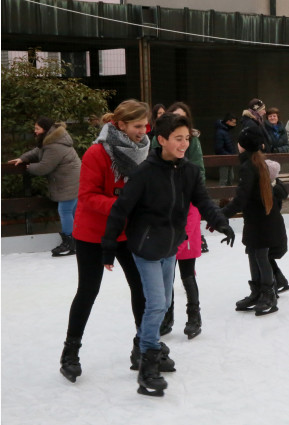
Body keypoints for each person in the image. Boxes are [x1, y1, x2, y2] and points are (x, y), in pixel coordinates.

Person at [102, 112, 235, 396]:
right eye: (178, 139)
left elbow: (203, 200)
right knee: (156, 305)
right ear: (161, 140)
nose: (184, 144)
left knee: (162, 303)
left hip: (170, 247)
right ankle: (148, 364)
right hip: (147, 248)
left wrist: (221, 221)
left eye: (187, 138)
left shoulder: (188, 171)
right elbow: (120, 209)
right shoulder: (144, 173)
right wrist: (109, 245)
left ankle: (141, 348)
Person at [59, 100, 165, 384]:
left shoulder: (144, 151)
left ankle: (142, 346)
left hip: (125, 232)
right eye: (137, 126)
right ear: (120, 125)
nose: (143, 132)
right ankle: (70, 351)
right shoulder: (98, 153)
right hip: (93, 232)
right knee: (89, 290)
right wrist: (124, 205)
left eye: (146, 126)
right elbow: (88, 196)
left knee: (141, 287)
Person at [151, 102, 207, 339]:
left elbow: (200, 173)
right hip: (165, 214)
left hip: (188, 210)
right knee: (166, 272)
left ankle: (194, 315)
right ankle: (166, 315)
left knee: (186, 269)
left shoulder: (192, 143)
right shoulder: (159, 143)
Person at [221, 126, 287, 316]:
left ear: (242, 145)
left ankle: (269, 294)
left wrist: (221, 214)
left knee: (260, 255)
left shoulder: (249, 166)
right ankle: (258, 291)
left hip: (262, 220)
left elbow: (241, 199)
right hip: (258, 218)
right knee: (253, 252)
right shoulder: (254, 163)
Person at [8, 117, 81, 257]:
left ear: (45, 129)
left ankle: (70, 242)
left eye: (37, 129)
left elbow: (44, 167)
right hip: (72, 180)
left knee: (65, 211)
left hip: (69, 181)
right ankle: (77, 240)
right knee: (72, 211)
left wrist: (29, 167)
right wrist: (23, 158)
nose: (35, 131)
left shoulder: (54, 145)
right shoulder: (51, 140)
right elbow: (37, 151)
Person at [265, 159, 289, 293]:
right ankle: (280, 280)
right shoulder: (276, 186)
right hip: (275, 227)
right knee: (266, 257)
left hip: (272, 229)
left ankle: (274, 284)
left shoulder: (271, 190)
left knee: (264, 257)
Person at [215, 113, 238, 186]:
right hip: (224, 158)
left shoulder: (226, 131)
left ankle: (227, 196)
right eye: (233, 122)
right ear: (228, 121)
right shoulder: (221, 132)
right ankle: (222, 196)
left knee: (230, 178)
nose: (235, 124)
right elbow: (218, 148)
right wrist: (229, 155)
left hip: (229, 157)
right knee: (224, 179)